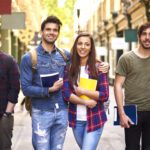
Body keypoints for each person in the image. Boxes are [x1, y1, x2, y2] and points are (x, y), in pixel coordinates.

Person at [20, 15, 109, 150]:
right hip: (41, 112)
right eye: (48, 29)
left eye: (55, 30)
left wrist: (103, 64)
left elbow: (82, 54)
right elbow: (26, 89)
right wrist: (48, 90)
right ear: (42, 31)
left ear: (58, 33)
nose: (51, 32)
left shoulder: (64, 55)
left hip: (62, 112)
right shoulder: (29, 58)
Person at [62, 32, 109, 150]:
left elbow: (104, 95)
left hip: (95, 118)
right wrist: (85, 102)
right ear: (75, 46)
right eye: (80, 44)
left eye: (87, 44)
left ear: (91, 48)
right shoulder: (69, 67)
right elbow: (67, 94)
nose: (83, 47)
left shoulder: (99, 67)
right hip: (76, 119)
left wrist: (83, 91)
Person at [114, 22, 150, 150]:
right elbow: (117, 85)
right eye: (144, 34)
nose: (147, 37)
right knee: (131, 148)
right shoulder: (126, 58)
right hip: (132, 112)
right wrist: (121, 113)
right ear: (139, 36)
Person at [0, 51, 20, 150]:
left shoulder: (8, 61)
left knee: (4, 147)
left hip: (2, 116)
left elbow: (15, 88)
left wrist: (7, 114)